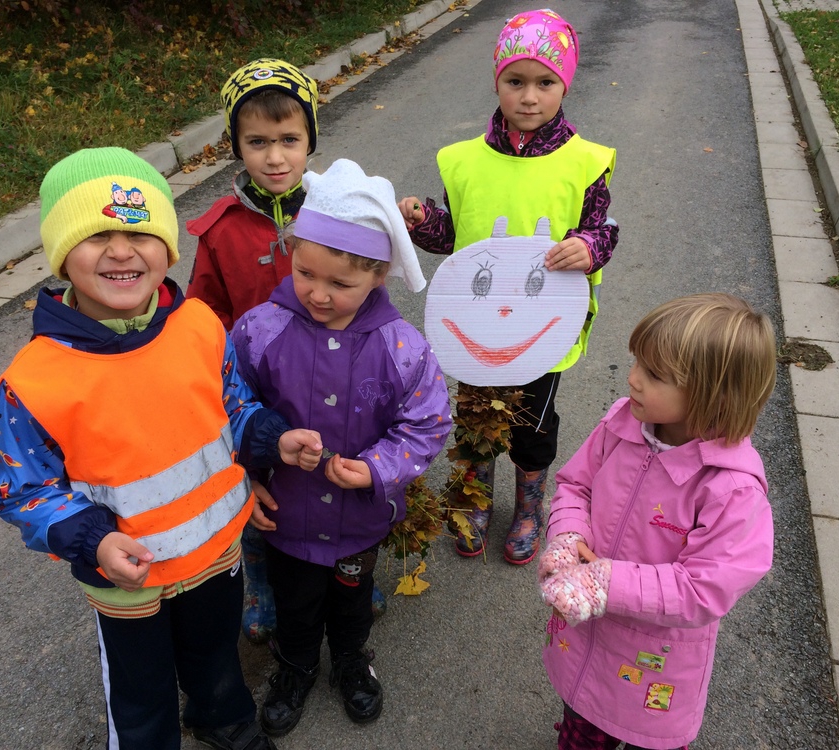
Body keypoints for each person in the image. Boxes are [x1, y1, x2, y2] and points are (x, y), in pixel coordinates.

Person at [0, 146, 324, 750]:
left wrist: (273, 438)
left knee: (215, 657)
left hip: (216, 551)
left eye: (140, 233)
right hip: (127, 578)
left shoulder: (199, 325)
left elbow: (233, 407)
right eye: (97, 235)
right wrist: (95, 540)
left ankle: (223, 719)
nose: (121, 251)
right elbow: (23, 491)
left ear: (167, 249)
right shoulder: (34, 382)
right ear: (61, 255)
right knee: (139, 693)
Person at [230, 159, 452, 736]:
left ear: (378, 276)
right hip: (288, 514)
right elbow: (228, 403)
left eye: (340, 284)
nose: (318, 294)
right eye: (305, 273)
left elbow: (427, 422)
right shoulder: (260, 330)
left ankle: (351, 659)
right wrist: (261, 452)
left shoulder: (400, 347)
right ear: (293, 253)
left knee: (353, 600)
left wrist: (378, 468)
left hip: (360, 519)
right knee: (296, 601)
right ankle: (296, 665)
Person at [398, 8, 618, 565]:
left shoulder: (585, 162)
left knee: (533, 424)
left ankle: (528, 506)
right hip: (476, 326)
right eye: (515, 81)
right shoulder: (463, 162)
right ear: (497, 81)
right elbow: (457, 237)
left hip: (543, 328)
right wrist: (423, 220)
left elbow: (602, 228)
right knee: (476, 418)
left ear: (564, 85)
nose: (529, 97)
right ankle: (474, 501)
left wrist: (589, 247)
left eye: (545, 83)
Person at [186, 58, 389, 642]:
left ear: (310, 140)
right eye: (257, 142)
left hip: (334, 375)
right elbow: (206, 314)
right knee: (263, 486)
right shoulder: (221, 230)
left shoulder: (337, 211)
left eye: (289, 140)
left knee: (339, 470)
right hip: (258, 385)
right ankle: (262, 584)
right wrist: (223, 379)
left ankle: (349, 569)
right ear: (237, 145)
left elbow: (368, 290)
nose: (275, 157)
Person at [538, 293, 777, 750]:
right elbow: (576, 485)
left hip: (656, 666)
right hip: (587, 640)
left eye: (654, 374)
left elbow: (704, 588)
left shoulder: (731, 489)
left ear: (715, 395)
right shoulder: (621, 425)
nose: (633, 378)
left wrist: (605, 583)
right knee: (582, 721)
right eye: (637, 363)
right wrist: (568, 534)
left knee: (648, 737)